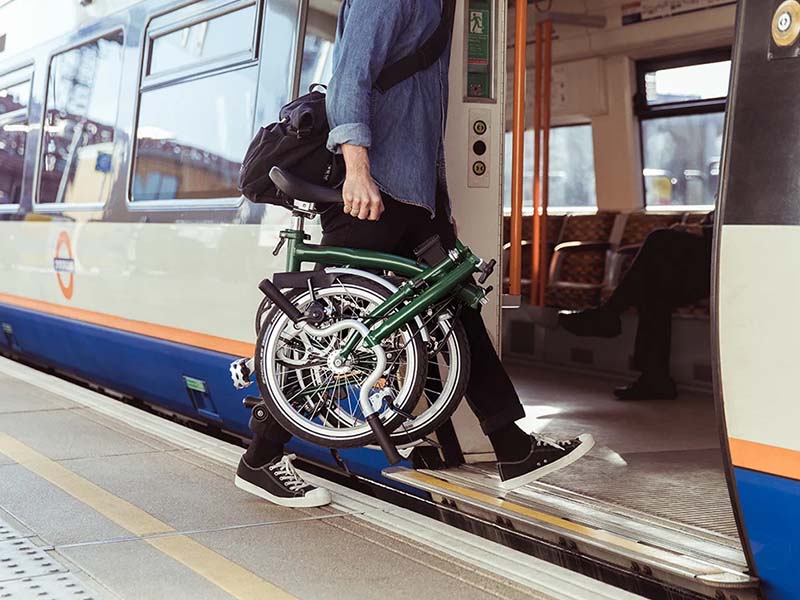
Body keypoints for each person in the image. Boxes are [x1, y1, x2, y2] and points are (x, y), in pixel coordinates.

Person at [233, 0, 594, 508]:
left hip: (411, 196)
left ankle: (513, 448)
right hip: (371, 192)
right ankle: (260, 459)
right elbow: (351, 75)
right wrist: (356, 170)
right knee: (322, 332)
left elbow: (423, 112)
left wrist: (439, 202)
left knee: (458, 305)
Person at [559, 213, 714, 401]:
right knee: (651, 291)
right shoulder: (727, 188)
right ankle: (655, 379)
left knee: (659, 239)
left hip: (725, 259)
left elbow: (738, 222)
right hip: (707, 259)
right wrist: (697, 226)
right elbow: (716, 218)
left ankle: (609, 314)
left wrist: (703, 231)